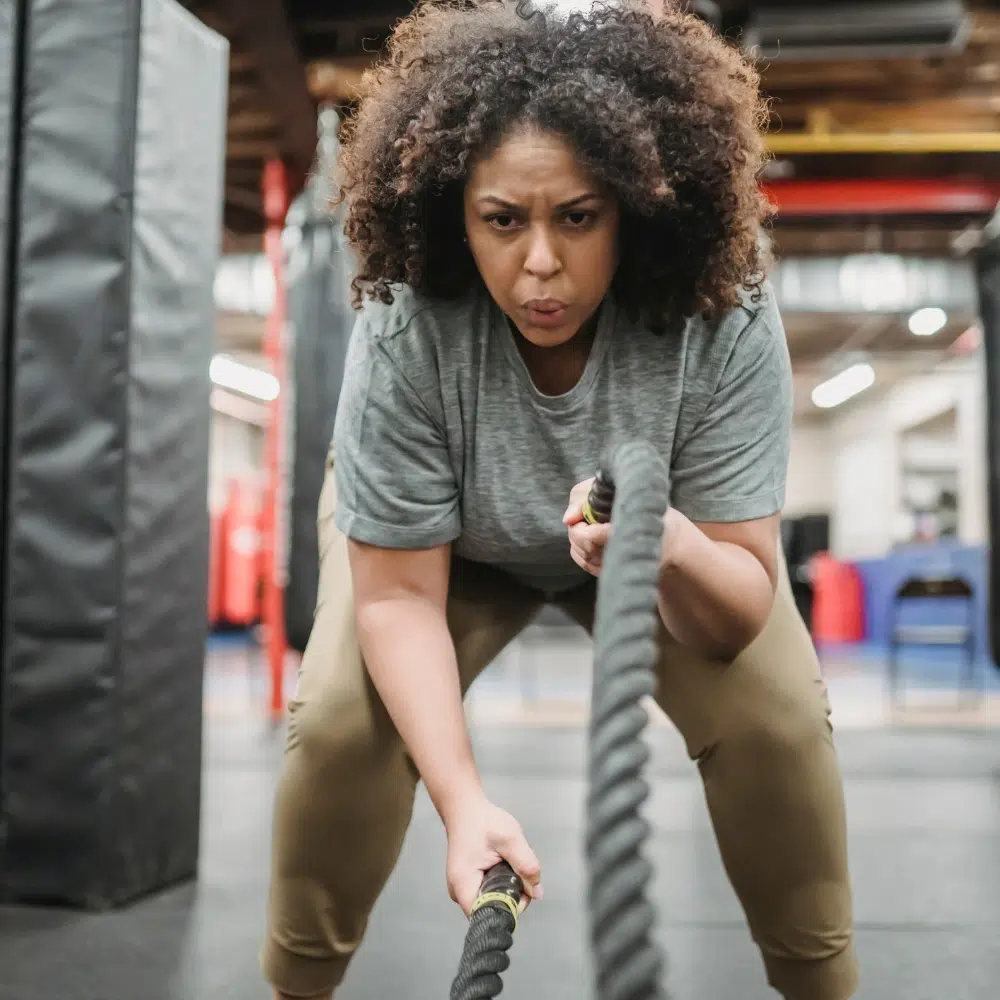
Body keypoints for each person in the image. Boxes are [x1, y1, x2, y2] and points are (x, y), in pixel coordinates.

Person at [261, 2, 857, 998]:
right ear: (455, 211)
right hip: (448, 555)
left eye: (577, 218)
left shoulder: (723, 311)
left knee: (779, 724)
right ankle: (294, 987)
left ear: (636, 205)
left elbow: (738, 603)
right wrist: (464, 806)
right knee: (336, 727)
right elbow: (401, 597)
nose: (540, 263)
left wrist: (666, 546)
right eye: (502, 220)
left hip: (648, 550)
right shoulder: (408, 317)